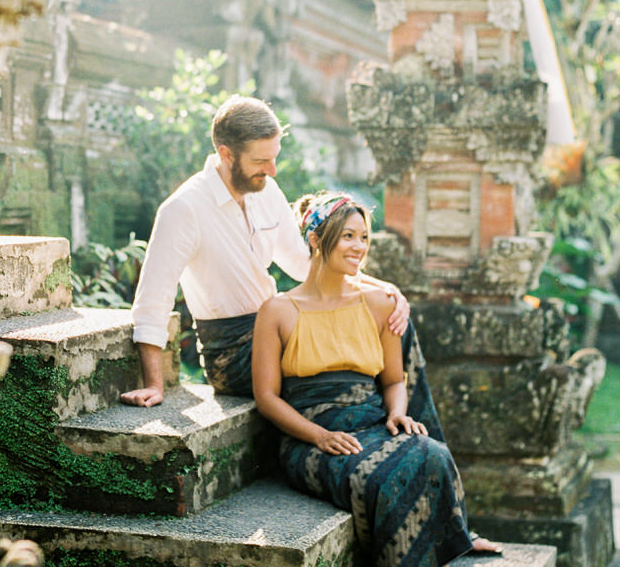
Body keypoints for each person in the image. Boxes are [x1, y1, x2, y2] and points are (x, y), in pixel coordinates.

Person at [252, 191, 493, 567]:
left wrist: (398, 412)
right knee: (379, 477)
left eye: (364, 237)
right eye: (347, 236)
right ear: (316, 239)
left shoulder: (380, 304)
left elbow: (394, 380)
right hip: (311, 437)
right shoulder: (277, 311)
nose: (359, 247)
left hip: (372, 421)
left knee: (432, 453)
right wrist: (320, 436)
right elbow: (267, 398)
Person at [122, 96, 411, 407]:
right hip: (233, 352)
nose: (272, 170)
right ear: (226, 154)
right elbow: (153, 300)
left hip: (279, 326)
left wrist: (386, 291)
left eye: (274, 158)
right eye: (261, 162)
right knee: (348, 362)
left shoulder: (266, 191)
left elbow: (304, 265)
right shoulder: (183, 209)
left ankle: (406, 429)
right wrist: (153, 384)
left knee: (392, 324)